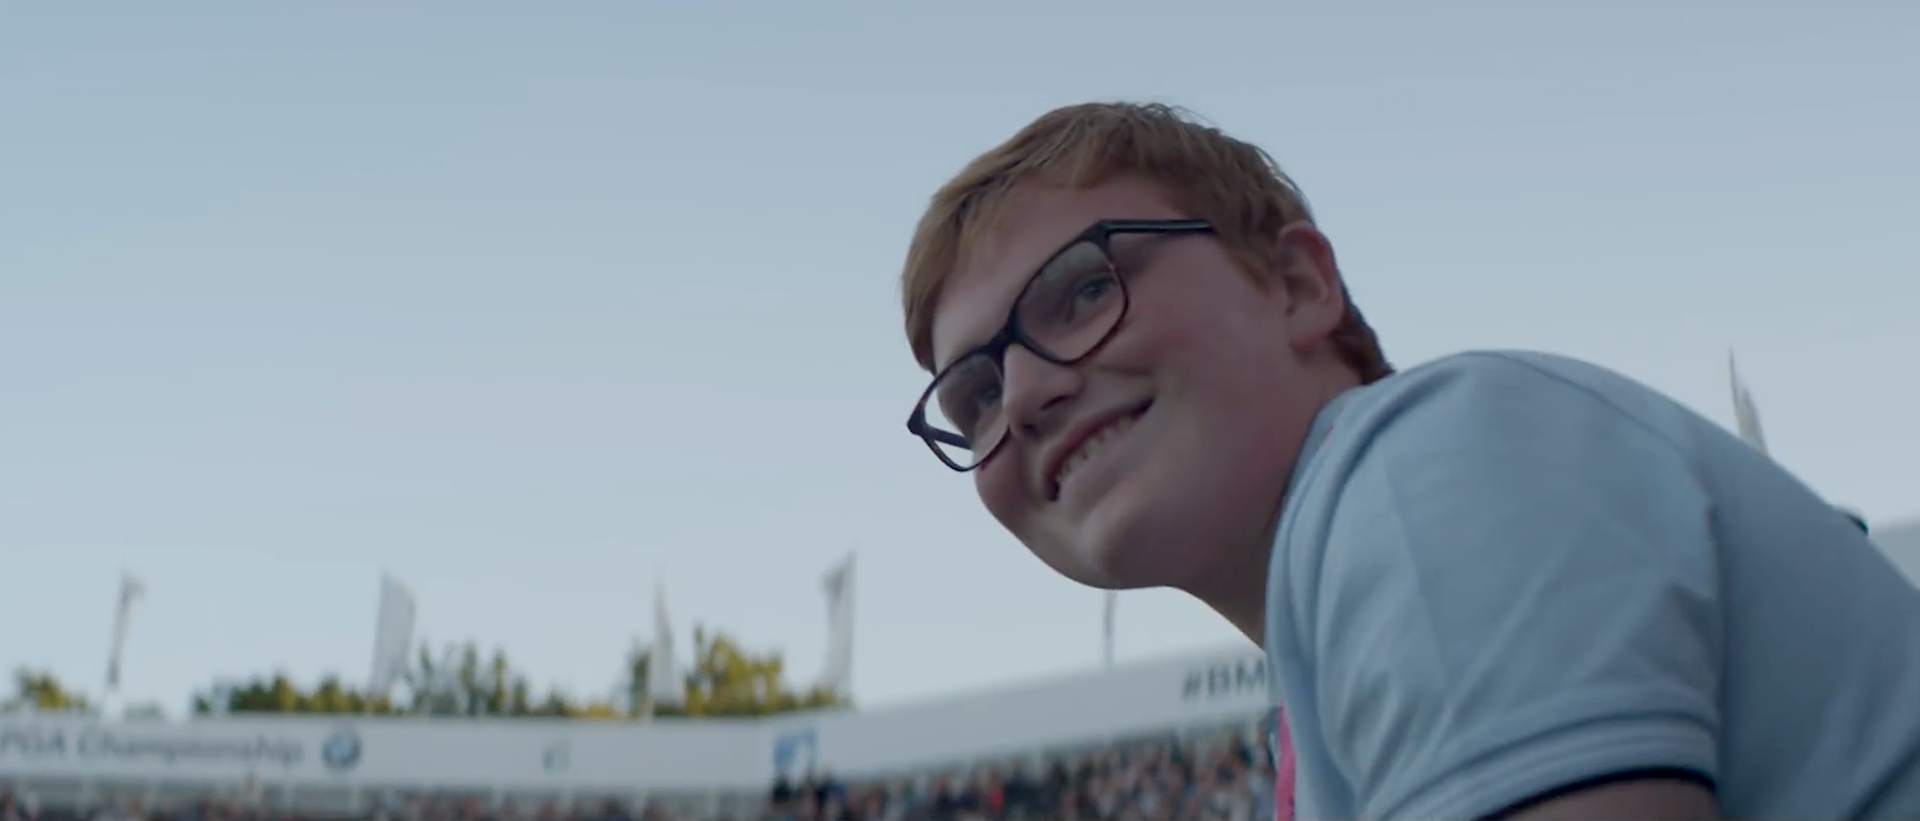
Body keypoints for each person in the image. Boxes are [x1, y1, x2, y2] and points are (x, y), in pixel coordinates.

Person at [894, 101, 1920, 820]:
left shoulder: (1412, 474)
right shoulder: (1330, 637)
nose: (1021, 397)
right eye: (973, 396)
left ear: (1297, 284)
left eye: (1083, 290)